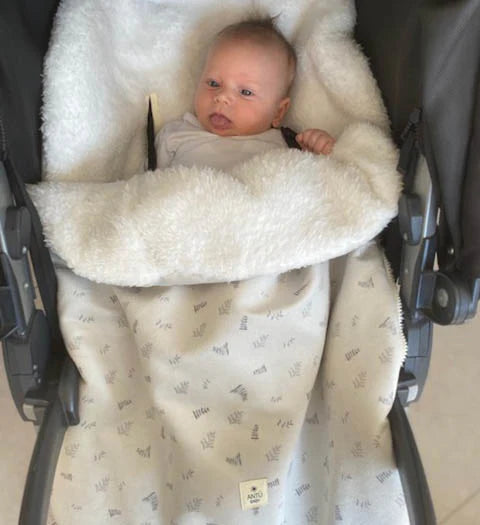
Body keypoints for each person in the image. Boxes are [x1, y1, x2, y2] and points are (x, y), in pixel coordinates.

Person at [155, 16, 335, 171]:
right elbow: (150, 183)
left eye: (245, 92)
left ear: (278, 112)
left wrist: (318, 150)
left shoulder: (288, 144)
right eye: (213, 83)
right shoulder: (176, 134)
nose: (222, 97)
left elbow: (315, 179)